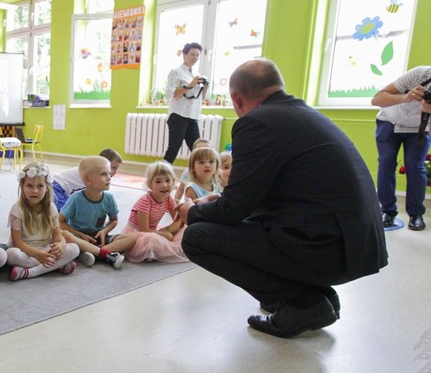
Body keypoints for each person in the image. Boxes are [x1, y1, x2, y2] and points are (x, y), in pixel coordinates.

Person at [179, 59, 388, 338]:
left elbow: (232, 211)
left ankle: (302, 303)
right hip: (358, 246)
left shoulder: (255, 123)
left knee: (197, 237)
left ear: (236, 99)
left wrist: (190, 212)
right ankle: (315, 295)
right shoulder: (305, 115)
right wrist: (224, 199)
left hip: (328, 249)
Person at [371, 66, 431, 231]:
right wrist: (406, 97)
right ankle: (387, 212)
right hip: (390, 123)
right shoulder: (421, 74)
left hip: (420, 129)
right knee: (386, 164)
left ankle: (416, 214)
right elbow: (376, 99)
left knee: (415, 167)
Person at [59, 156, 136, 269]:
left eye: (109, 174)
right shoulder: (75, 199)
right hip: (79, 237)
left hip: (100, 238)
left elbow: (114, 220)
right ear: (88, 180)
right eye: (104, 174)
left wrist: (105, 231)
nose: (109, 177)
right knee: (65, 236)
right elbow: (60, 222)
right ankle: (101, 253)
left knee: (133, 238)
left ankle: (96, 253)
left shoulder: (109, 199)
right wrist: (80, 235)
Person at [7, 162, 80, 280]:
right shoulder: (17, 209)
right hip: (25, 250)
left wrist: (61, 244)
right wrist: (37, 255)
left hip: (46, 247)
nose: (35, 191)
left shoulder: (51, 208)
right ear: (22, 186)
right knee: (11, 255)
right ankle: (56, 265)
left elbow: (57, 235)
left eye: (40, 186)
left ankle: (30, 272)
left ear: (47, 188)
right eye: (29, 186)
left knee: (74, 248)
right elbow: (17, 242)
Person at [122, 160, 187, 264]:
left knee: (185, 229)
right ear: (150, 185)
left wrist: (167, 230)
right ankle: (155, 251)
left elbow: (178, 220)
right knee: (152, 239)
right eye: (158, 181)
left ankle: (161, 250)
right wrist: (166, 234)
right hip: (138, 232)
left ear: (173, 181)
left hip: (154, 229)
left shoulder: (168, 199)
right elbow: (144, 231)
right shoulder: (145, 201)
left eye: (167, 180)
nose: (164, 185)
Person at [163, 42, 209, 164]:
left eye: (197, 55)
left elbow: (200, 98)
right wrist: (189, 86)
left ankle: (199, 177)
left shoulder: (196, 74)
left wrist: (205, 87)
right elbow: (171, 94)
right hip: (178, 115)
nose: (195, 57)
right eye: (192, 54)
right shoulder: (176, 72)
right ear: (184, 54)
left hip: (192, 116)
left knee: (198, 150)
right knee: (173, 148)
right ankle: (159, 175)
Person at [51, 148, 123, 210]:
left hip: (66, 191)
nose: (115, 172)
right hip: (57, 187)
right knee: (61, 217)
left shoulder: (97, 175)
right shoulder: (92, 172)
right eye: (113, 168)